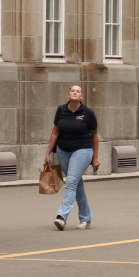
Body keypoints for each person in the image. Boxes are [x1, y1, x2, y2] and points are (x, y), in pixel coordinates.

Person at [44, 85, 99, 230]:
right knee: (77, 184)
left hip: (83, 150)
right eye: (73, 91)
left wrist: (95, 158)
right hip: (63, 151)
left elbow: (94, 136)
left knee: (71, 182)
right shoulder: (61, 110)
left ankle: (62, 216)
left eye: (78, 91)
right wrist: (47, 153)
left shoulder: (88, 113)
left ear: (81, 97)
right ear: (68, 95)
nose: (75, 92)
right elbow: (55, 132)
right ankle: (86, 218)